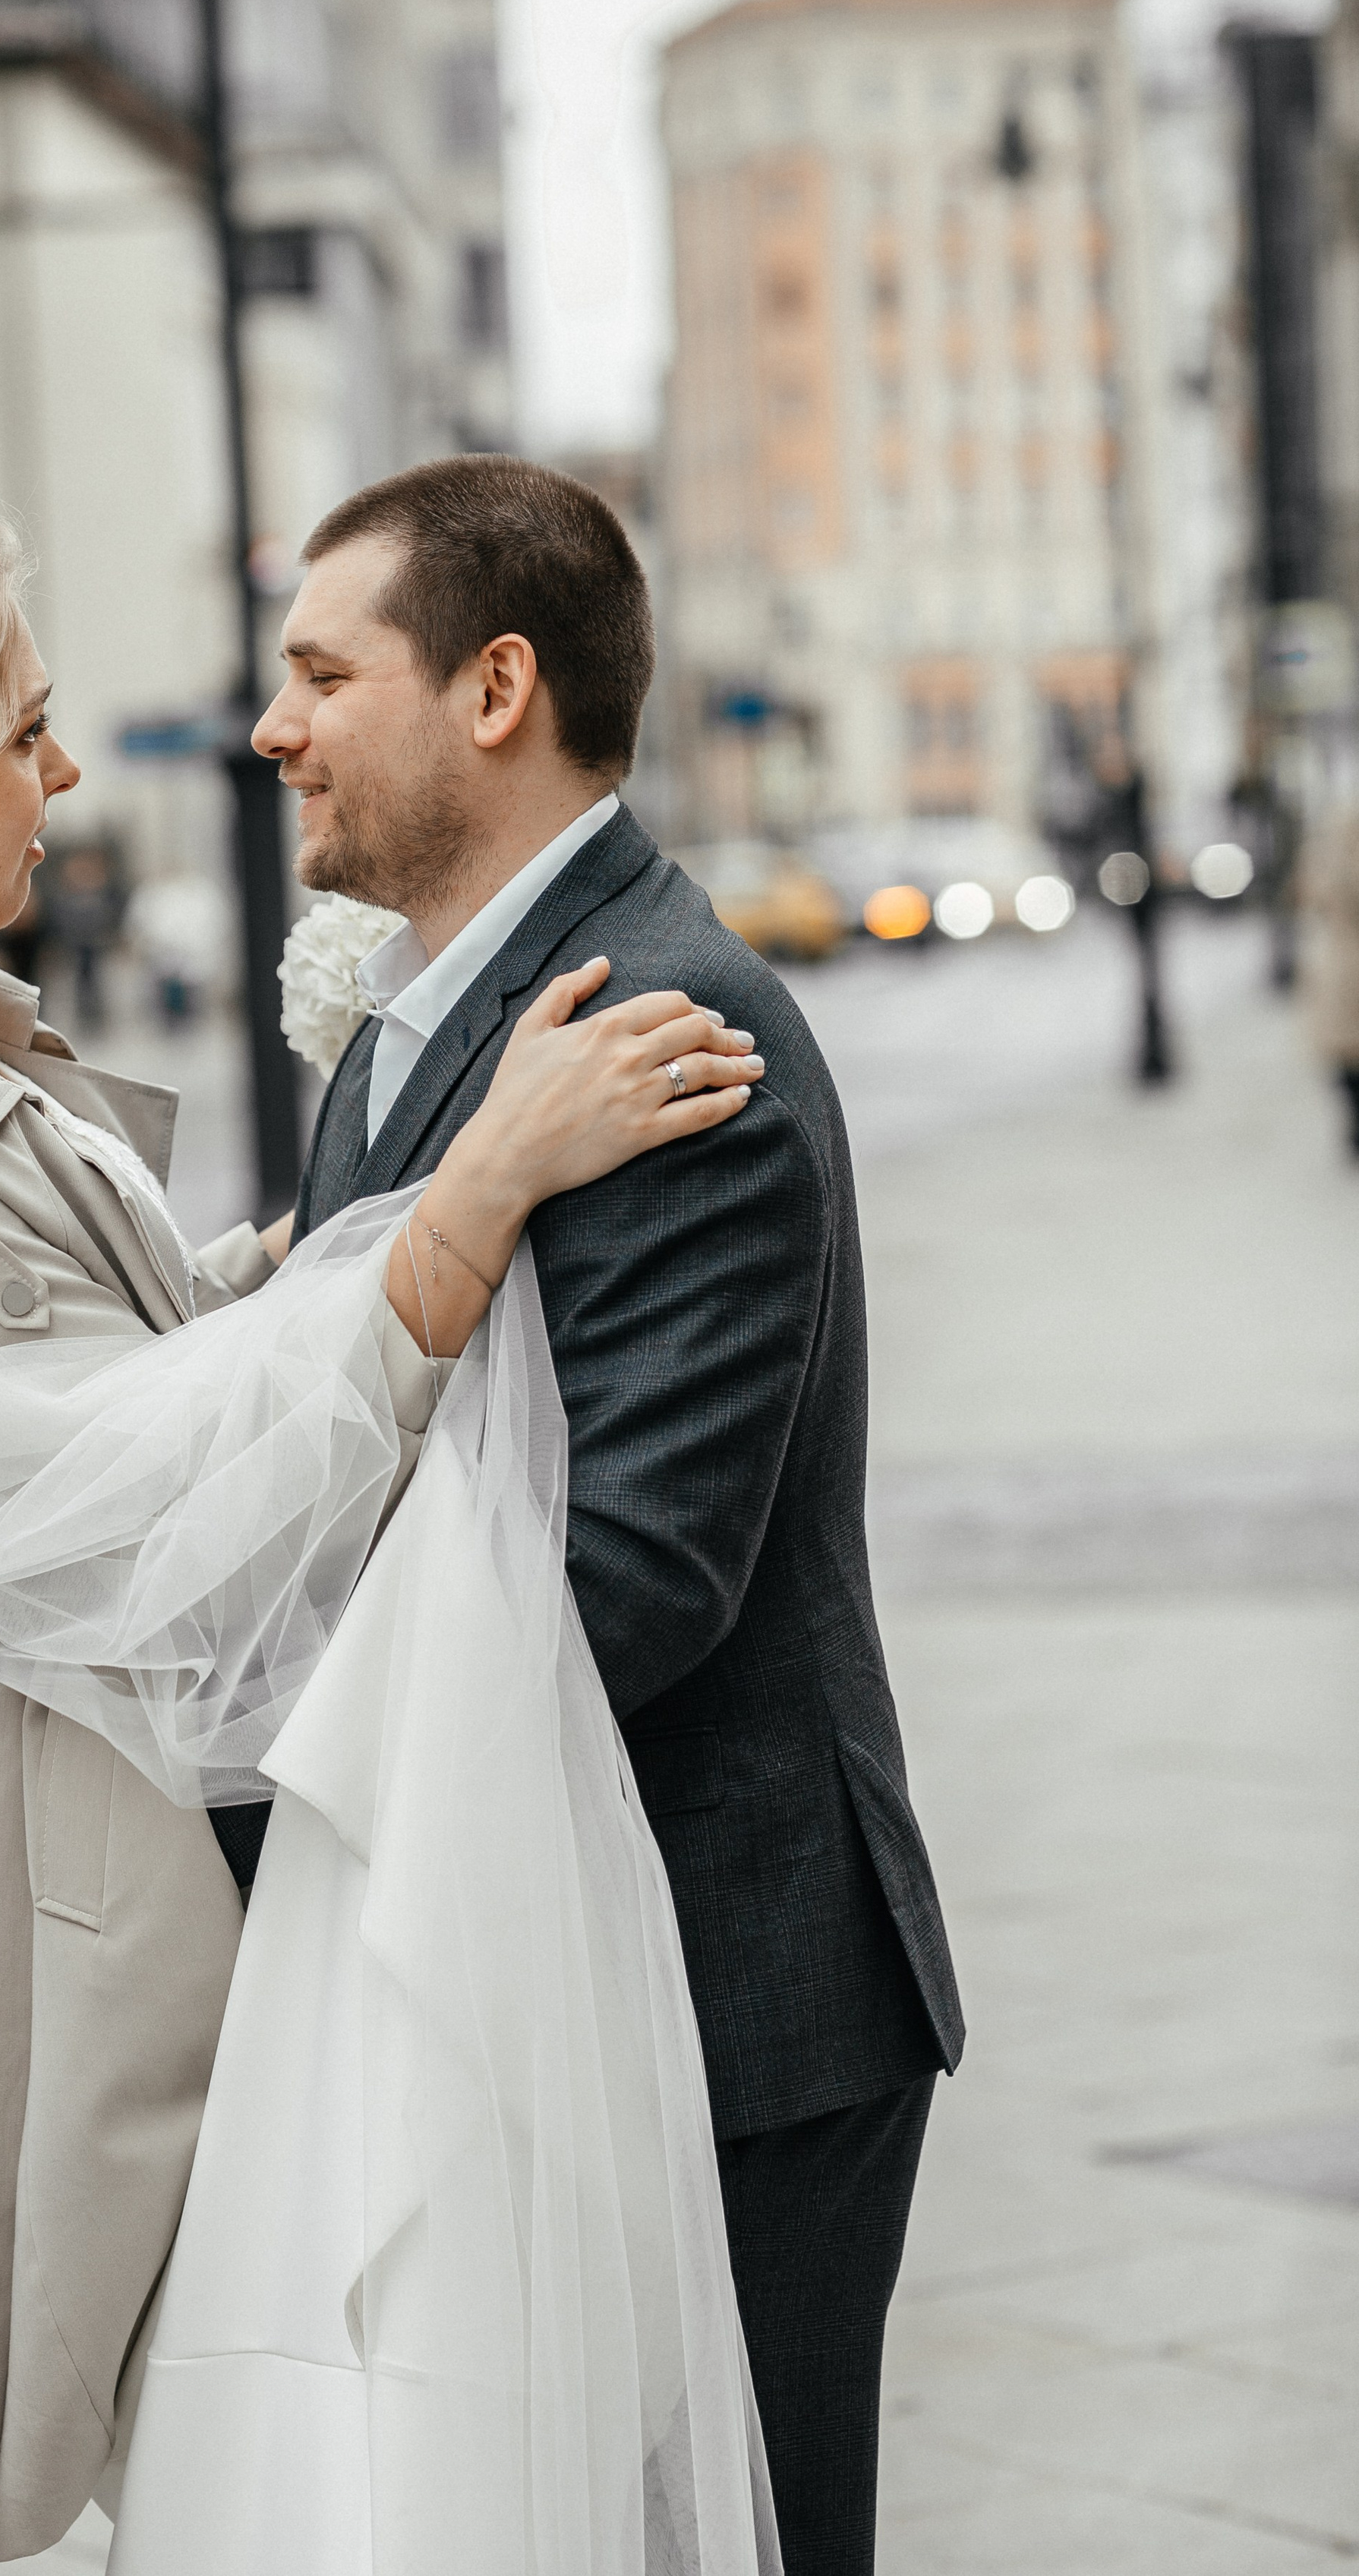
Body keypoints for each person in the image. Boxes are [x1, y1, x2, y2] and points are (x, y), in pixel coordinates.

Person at [0, 512, 775, 2576]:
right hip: (32, 1938)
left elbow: (90, 1372)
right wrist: (465, 1197)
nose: (66, 770)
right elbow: (126, 1508)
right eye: (20, 731)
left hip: (116, 1868)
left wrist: (290, 1250)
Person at [214, 455, 964, 2576]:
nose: (270, 726)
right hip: (500, 1946)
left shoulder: (670, 1027)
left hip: (722, 1991)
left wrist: (251, 1764)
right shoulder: (413, 1023)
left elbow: (631, 1574)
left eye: (321, 673)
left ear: (493, 689)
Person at [1300, 802, 1359, 1153]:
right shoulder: (1338, 843)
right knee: (1346, 1054)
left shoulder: (1326, 844)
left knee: (1345, 1055)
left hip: (1338, 960)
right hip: (1344, 962)